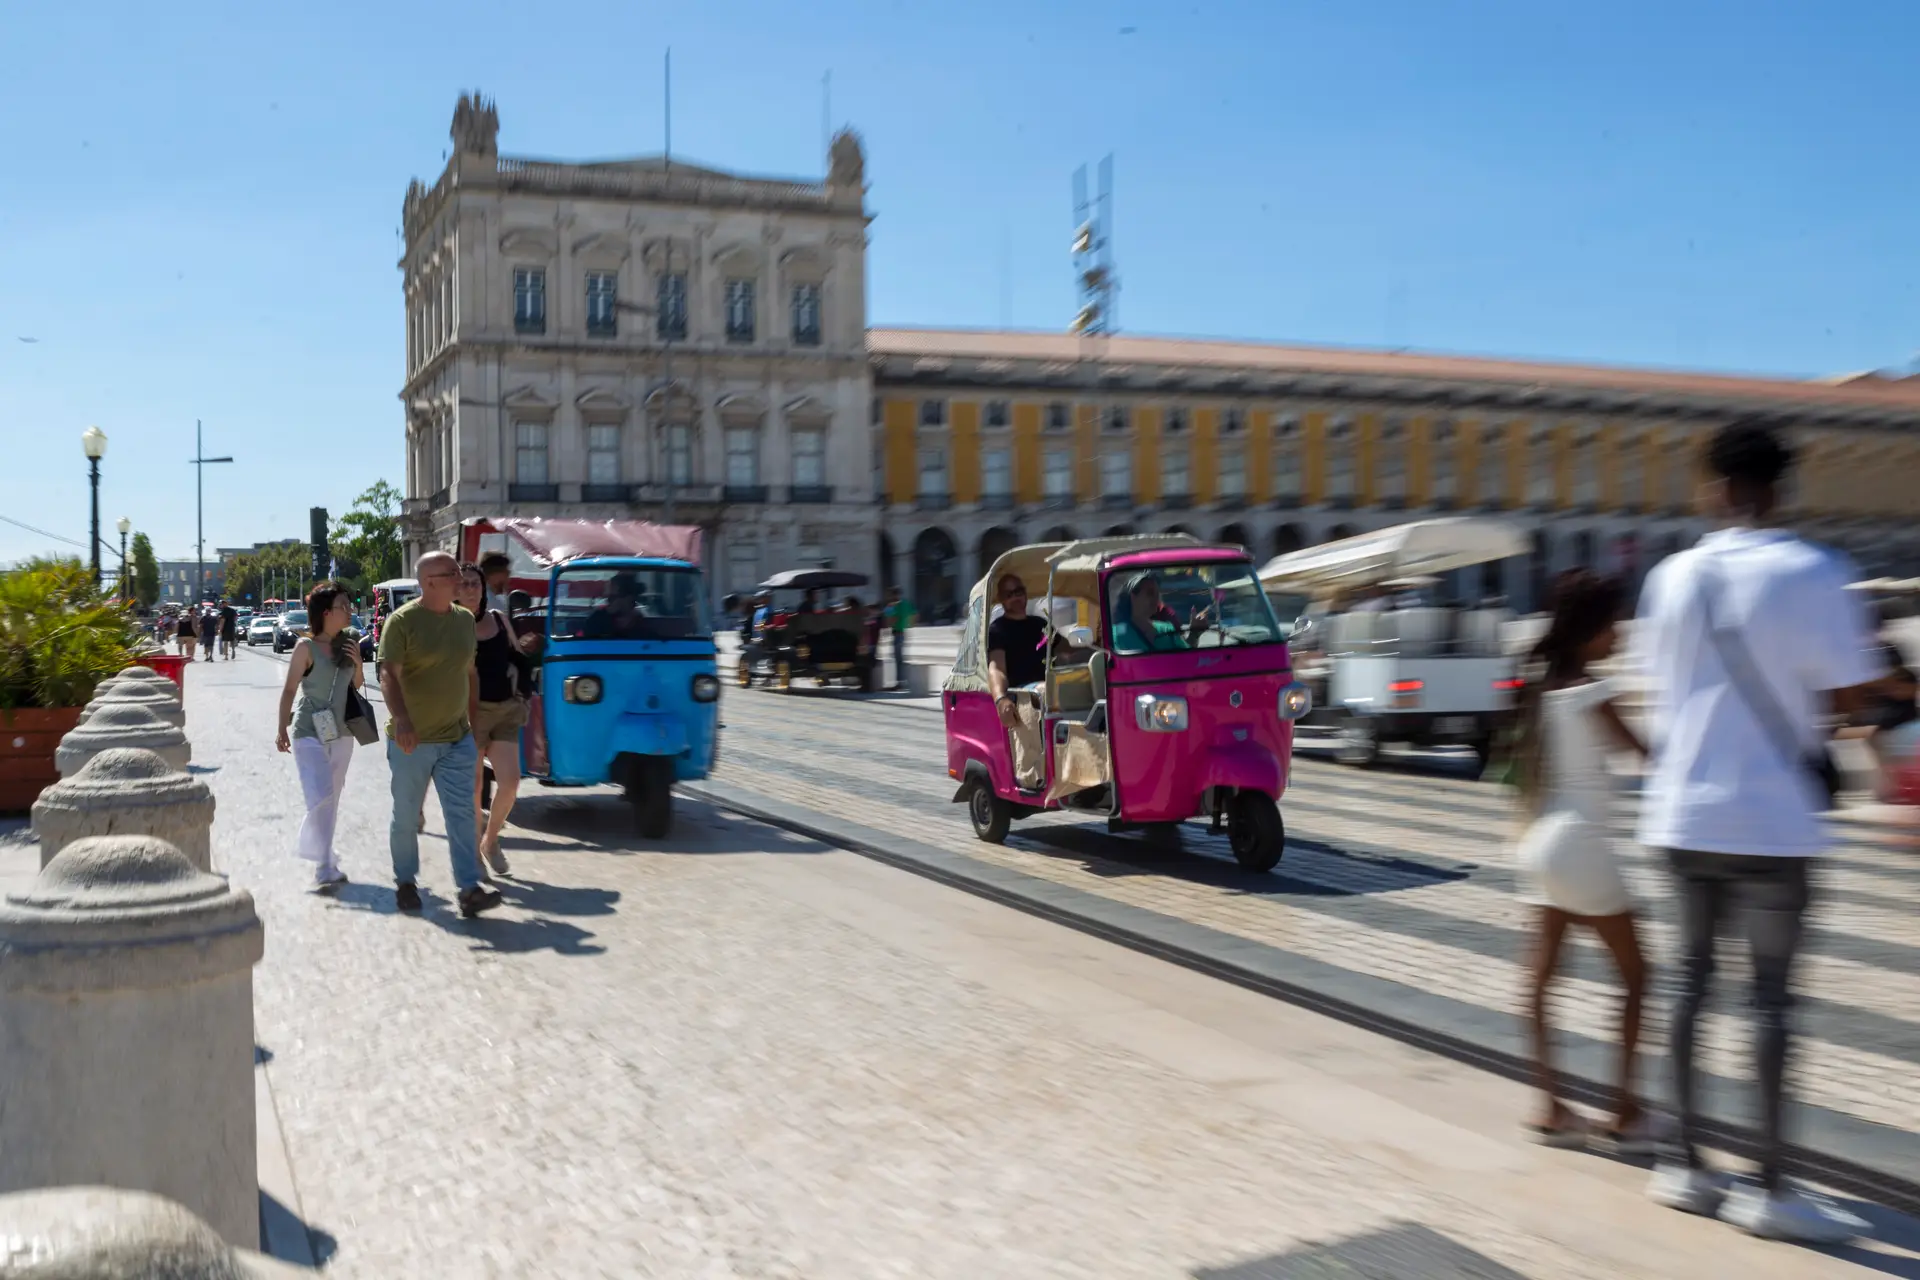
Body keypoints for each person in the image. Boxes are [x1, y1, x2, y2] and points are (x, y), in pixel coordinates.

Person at [1634, 419, 1878, 1242]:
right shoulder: (1816, 572)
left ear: (1711, 486)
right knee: (1769, 1002)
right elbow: (1856, 699)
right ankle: (1771, 1189)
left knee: (1688, 989)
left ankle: (1687, 1168)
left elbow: (1659, 688)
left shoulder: (1669, 579)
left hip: (1680, 815)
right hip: (1773, 820)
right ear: (1779, 487)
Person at [1507, 572, 1653, 1150]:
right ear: (1593, 630)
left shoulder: (1541, 690)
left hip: (1539, 841)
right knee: (1639, 978)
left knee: (1540, 979)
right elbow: (1645, 755)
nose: (1620, 634)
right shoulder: (1593, 691)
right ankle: (1625, 1114)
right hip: (1582, 846)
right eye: (1615, 623)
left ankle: (1551, 1109)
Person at [376, 550, 502, 918]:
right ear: (429, 583)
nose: (461, 580)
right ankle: (405, 881)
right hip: (411, 741)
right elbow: (387, 674)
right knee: (405, 815)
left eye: (460, 573)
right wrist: (401, 719)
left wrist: (474, 727)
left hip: (456, 738)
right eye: (452, 574)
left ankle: (468, 889)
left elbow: (470, 675)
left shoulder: (464, 620)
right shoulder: (401, 622)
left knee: (462, 813)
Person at [275, 582, 364, 890]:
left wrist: (358, 664)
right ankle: (323, 862)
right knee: (320, 795)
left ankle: (325, 859)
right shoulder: (306, 648)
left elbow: (357, 686)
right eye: (344, 605)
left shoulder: (350, 642)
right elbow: (289, 689)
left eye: (350, 605)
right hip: (308, 731)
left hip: (342, 732)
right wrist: (280, 728)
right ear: (326, 612)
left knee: (332, 798)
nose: (350, 610)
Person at [458, 563, 531, 877]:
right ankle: (473, 851)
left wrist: (524, 695)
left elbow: (519, 660)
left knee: (511, 783)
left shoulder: (500, 621)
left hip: (504, 710)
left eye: (475, 583)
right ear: (455, 590)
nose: (471, 589)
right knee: (474, 788)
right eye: (464, 584)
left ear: (483, 588)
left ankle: (490, 841)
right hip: (469, 713)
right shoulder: (450, 625)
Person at [1112, 573, 1210, 654]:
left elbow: (1186, 658)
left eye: (1157, 594)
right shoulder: (1116, 635)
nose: (1156, 599)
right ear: (1133, 597)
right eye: (1150, 593)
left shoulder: (1166, 629)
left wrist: (1195, 633)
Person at [883, 585, 915, 690]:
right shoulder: (906, 604)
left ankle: (900, 682)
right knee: (901, 658)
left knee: (897, 659)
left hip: (897, 633)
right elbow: (914, 615)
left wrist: (890, 624)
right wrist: (908, 624)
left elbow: (891, 619)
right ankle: (904, 680)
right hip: (903, 633)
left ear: (893, 594)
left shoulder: (893, 606)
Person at [479, 551, 514, 619]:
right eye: (506, 573)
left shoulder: (481, 595)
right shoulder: (491, 602)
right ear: (495, 574)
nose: (508, 579)